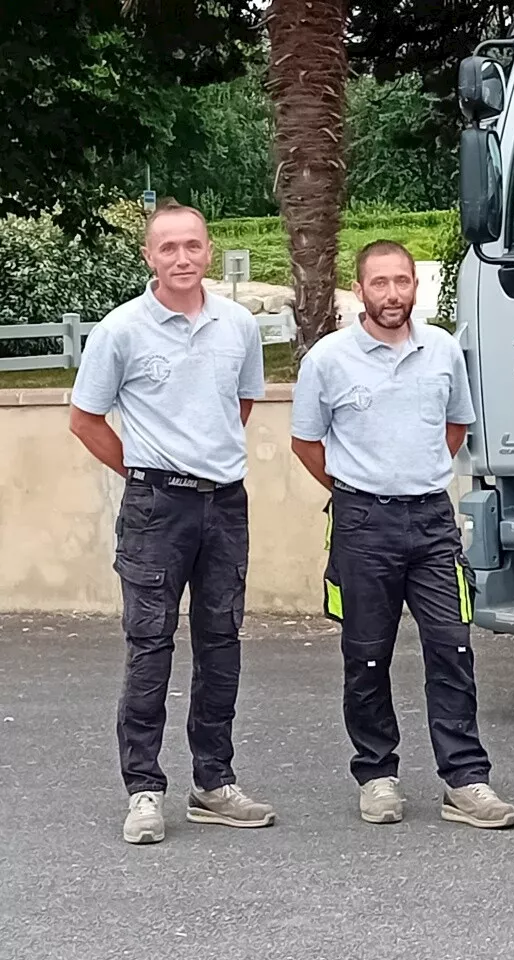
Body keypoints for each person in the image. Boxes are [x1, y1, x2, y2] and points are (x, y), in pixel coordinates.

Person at [290, 239, 514, 830]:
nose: (392, 295)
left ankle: (465, 780)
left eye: (402, 282)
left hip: (432, 521)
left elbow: (457, 424)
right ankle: (377, 775)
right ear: (359, 288)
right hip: (363, 524)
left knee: (452, 647)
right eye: (379, 283)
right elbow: (306, 444)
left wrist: (417, 478)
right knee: (367, 656)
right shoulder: (329, 360)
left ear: (416, 286)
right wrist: (359, 489)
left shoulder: (442, 349)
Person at [69, 200, 276, 845]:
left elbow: (239, 402)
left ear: (209, 250)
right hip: (156, 508)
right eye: (168, 248)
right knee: (150, 646)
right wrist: (144, 471)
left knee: (221, 642)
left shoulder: (238, 325)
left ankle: (213, 783)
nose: (182, 258)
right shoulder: (120, 331)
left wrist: (204, 461)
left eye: (193, 245)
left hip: (225, 503)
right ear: (149, 257)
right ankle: (144, 790)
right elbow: (85, 420)